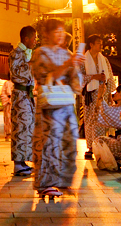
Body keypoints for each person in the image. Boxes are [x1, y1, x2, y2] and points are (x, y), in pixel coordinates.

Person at [30, 19, 82, 197]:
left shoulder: (67, 53)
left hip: (66, 103)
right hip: (50, 105)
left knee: (69, 142)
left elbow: (76, 82)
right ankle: (46, 182)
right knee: (49, 142)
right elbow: (46, 77)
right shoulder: (40, 53)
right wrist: (69, 64)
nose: (60, 35)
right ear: (47, 34)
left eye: (62, 31)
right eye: (56, 32)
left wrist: (76, 67)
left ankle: (63, 181)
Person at [79, 34, 117, 160]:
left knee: (101, 120)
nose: (101, 45)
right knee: (90, 120)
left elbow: (109, 77)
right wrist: (94, 77)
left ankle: (100, 146)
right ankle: (90, 147)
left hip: (103, 93)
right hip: (90, 94)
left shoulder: (104, 59)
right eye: (98, 43)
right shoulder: (83, 60)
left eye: (101, 43)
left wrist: (111, 95)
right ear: (91, 45)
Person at [8, 25, 37, 176]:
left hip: (27, 95)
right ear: (26, 39)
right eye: (34, 38)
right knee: (20, 128)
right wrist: (32, 65)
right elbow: (16, 72)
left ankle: (23, 161)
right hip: (20, 95)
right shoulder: (16, 53)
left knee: (27, 128)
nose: (35, 41)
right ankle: (18, 164)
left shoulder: (26, 53)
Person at [91, 84, 121, 169]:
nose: (115, 94)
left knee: (100, 141)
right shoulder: (117, 107)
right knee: (100, 141)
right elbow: (103, 114)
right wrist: (100, 98)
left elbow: (107, 113)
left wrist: (101, 96)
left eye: (118, 92)